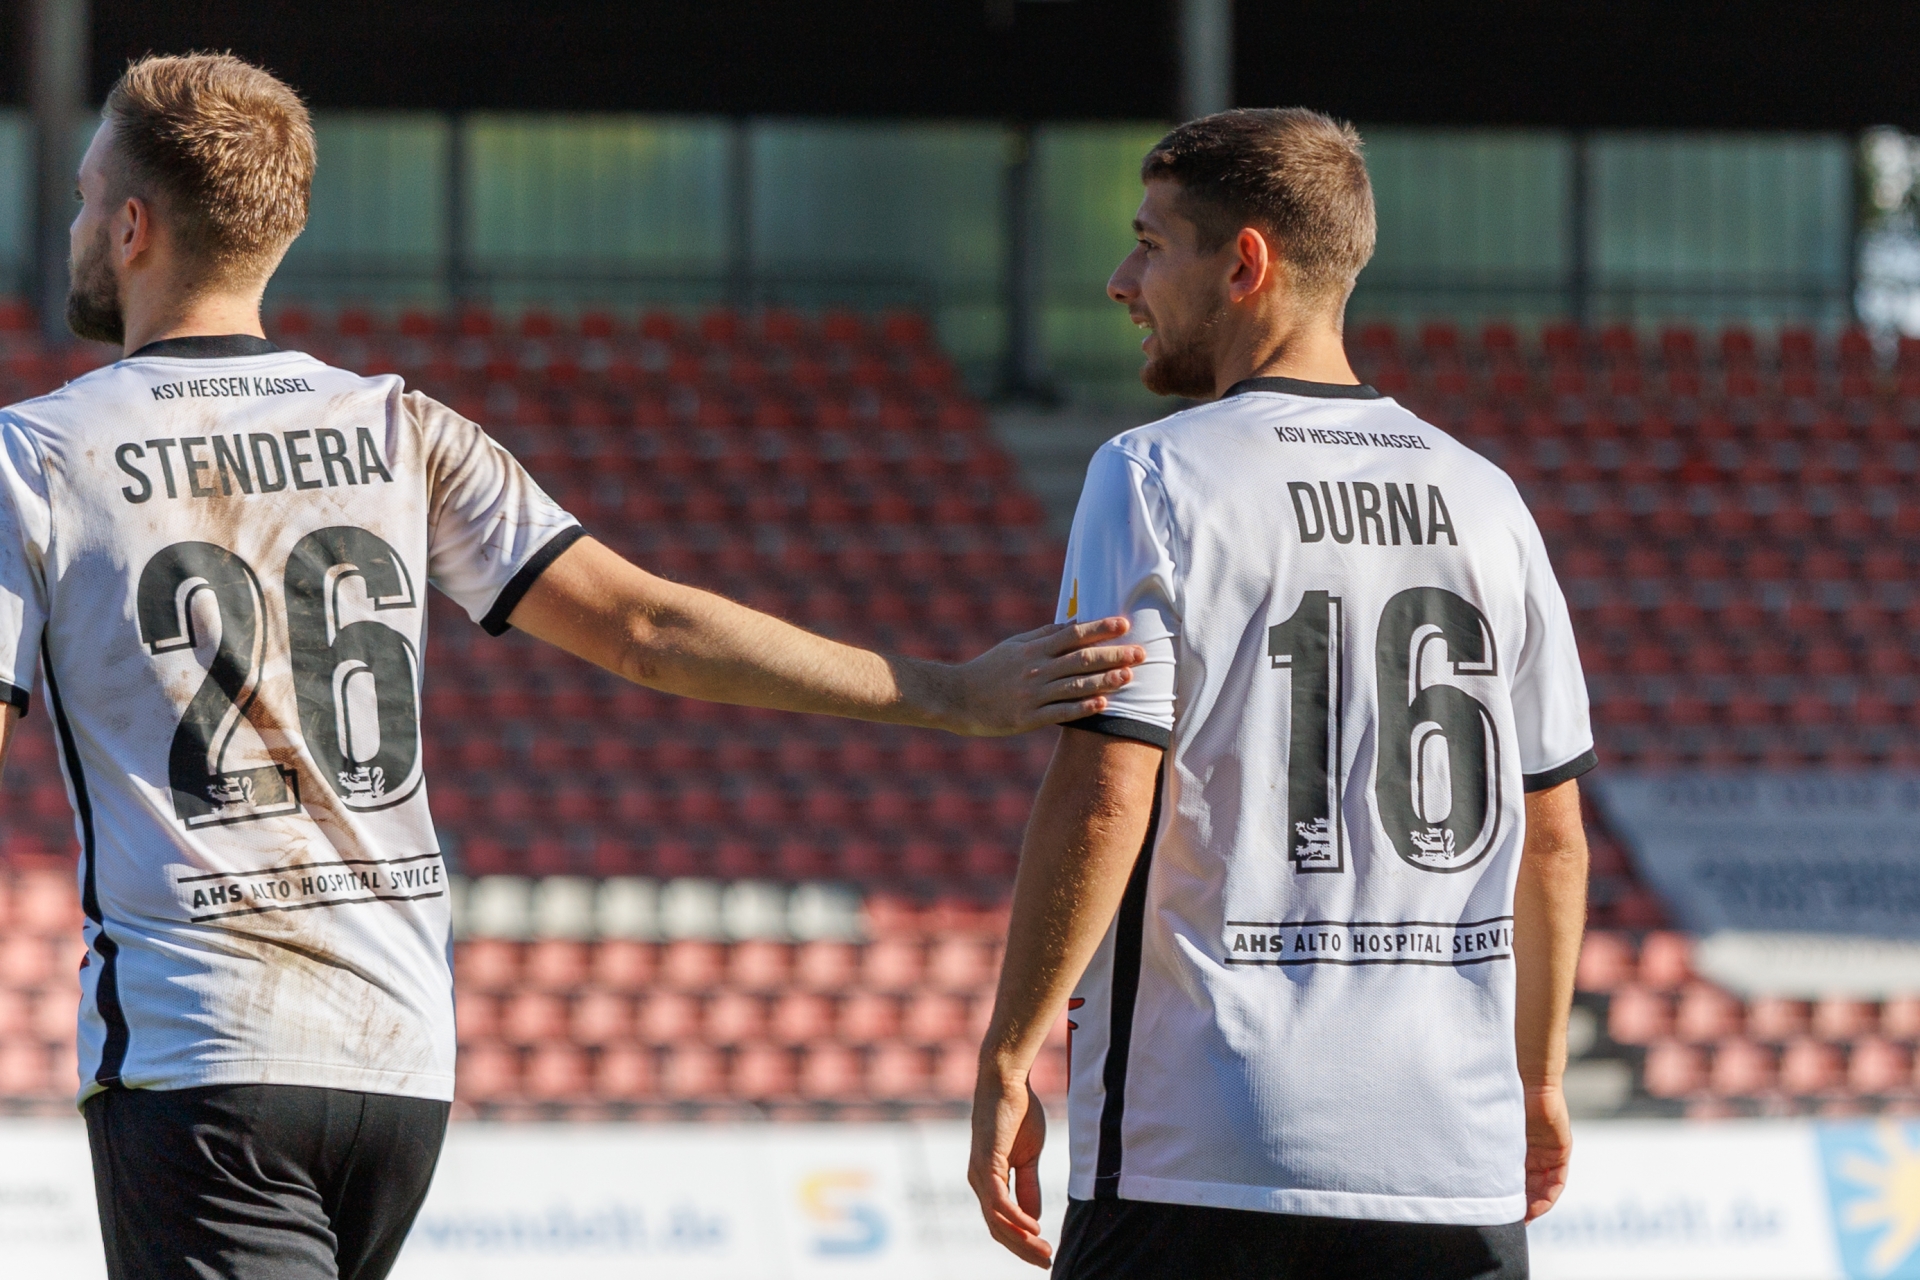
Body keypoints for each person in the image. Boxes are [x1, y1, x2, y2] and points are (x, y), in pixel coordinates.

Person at [5, 53, 1145, 1280]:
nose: (74, 226)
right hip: (397, 1064)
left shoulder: (39, 453)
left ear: (133, 227)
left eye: (82, 199)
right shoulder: (399, 426)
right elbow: (648, 625)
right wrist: (947, 688)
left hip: (202, 1046)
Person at [967, 108, 1594, 1279]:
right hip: (1453, 1162)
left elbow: (1109, 793)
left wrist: (1009, 1052)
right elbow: (1551, 835)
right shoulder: (1490, 499)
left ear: (1244, 263)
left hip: (1205, 1150)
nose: (1121, 281)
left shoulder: (1153, 472)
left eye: (1150, 243)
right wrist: (1541, 1076)